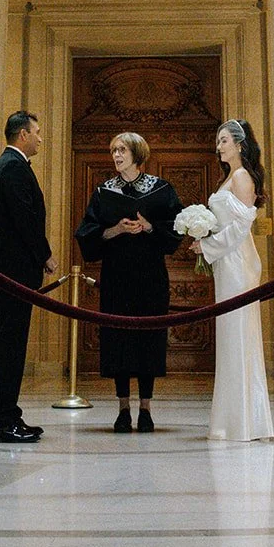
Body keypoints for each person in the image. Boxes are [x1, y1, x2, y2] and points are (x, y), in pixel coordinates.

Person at [75, 131, 182, 434]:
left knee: (148, 340)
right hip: (116, 278)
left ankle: (146, 408)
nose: (116, 156)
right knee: (118, 340)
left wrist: (149, 227)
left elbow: (176, 230)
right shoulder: (103, 191)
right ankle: (123, 408)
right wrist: (117, 229)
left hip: (151, 278)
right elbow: (87, 234)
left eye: (122, 150)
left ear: (137, 154)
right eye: (114, 151)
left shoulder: (161, 189)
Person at [190, 119, 274, 442]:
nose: (219, 146)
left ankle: (245, 423)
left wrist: (207, 246)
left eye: (224, 140)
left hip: (239, 264)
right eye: (218, 141)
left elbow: (241, 229)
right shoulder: (228, 178)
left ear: (239, 144)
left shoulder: (241, 177)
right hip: (226, 263)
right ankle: (229, 421)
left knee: (239, 336)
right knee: (229, 339)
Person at [0, 110, 57, 444]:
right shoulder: (12, 167)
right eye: (36, 132)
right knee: (10, 346)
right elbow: (24, 218)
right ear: (23, 134)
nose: (40, 138)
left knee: (13, 344)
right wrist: (45, 254)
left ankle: (8, 414)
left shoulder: (13, 165)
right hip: (14, 268)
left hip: (15, 267)